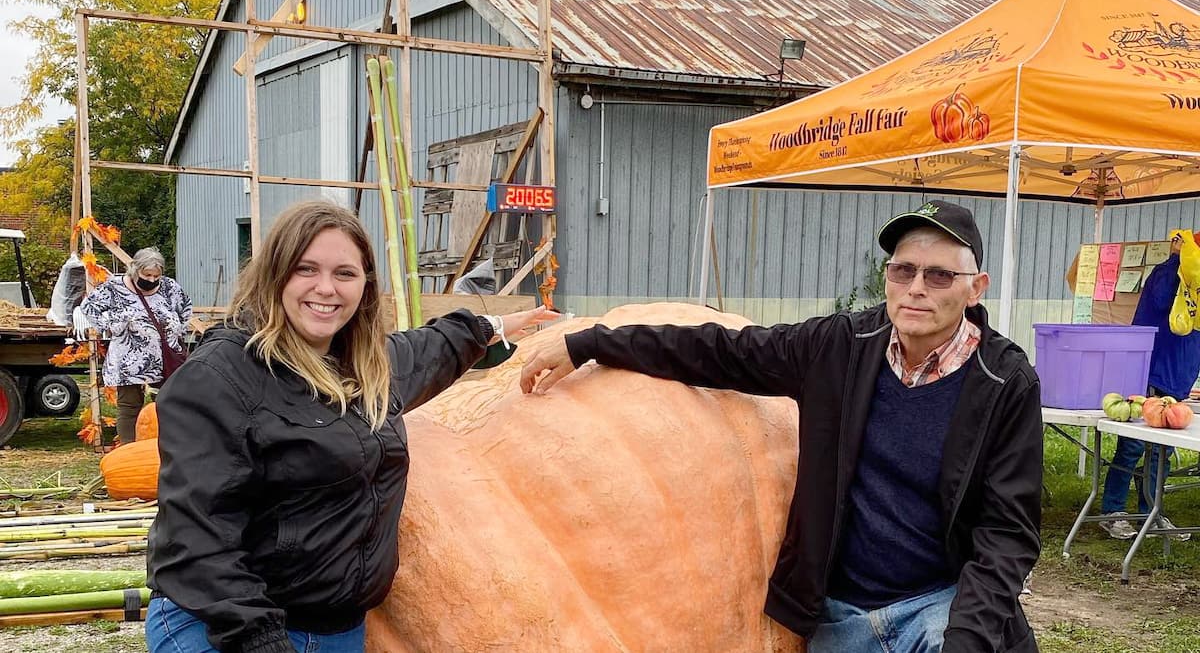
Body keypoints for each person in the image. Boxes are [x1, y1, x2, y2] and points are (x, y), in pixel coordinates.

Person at [521, 201, 1042, 653]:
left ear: (976, 289)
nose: (915, 289)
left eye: (939, 276)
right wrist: (589, 342)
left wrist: (965, 641)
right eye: (902, 271)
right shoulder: (840, 346)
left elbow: (1007, 533)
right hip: (842, 619)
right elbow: (721, 351)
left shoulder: (1005, 382)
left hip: (939, 614)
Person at [144, 201, 556, 653]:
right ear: (275, 273)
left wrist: (488, 327)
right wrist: (260, 640)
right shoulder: (220, 375)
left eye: (345, 273)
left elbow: (426, 351)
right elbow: (197, 537)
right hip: (227, 627)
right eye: (306, 269)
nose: (326, 288)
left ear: (365, 285)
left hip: (336, 629)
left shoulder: (366, 368)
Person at [1099, 230, 1200, 542]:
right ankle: (1113, 511)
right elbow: (1157, 301)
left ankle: (1150, 512)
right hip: (1148, 371)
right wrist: (1175, 261)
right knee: (1130, 447)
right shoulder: (1167, 274)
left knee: (1162, 452)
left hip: (1179, 378)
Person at [79, 247, 192, 444]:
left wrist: (176, 329)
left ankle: (169, 447)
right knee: (129, 406)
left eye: (156, 275)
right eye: (146, 274)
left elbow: (185, 307)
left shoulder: (169, 287)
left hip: (165, 359)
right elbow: (89, 307)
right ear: (135, 270)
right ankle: (128, 450)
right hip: (129, 359)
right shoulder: (115, 287)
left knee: (169, 404)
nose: (151, 280)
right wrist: (113, 324)